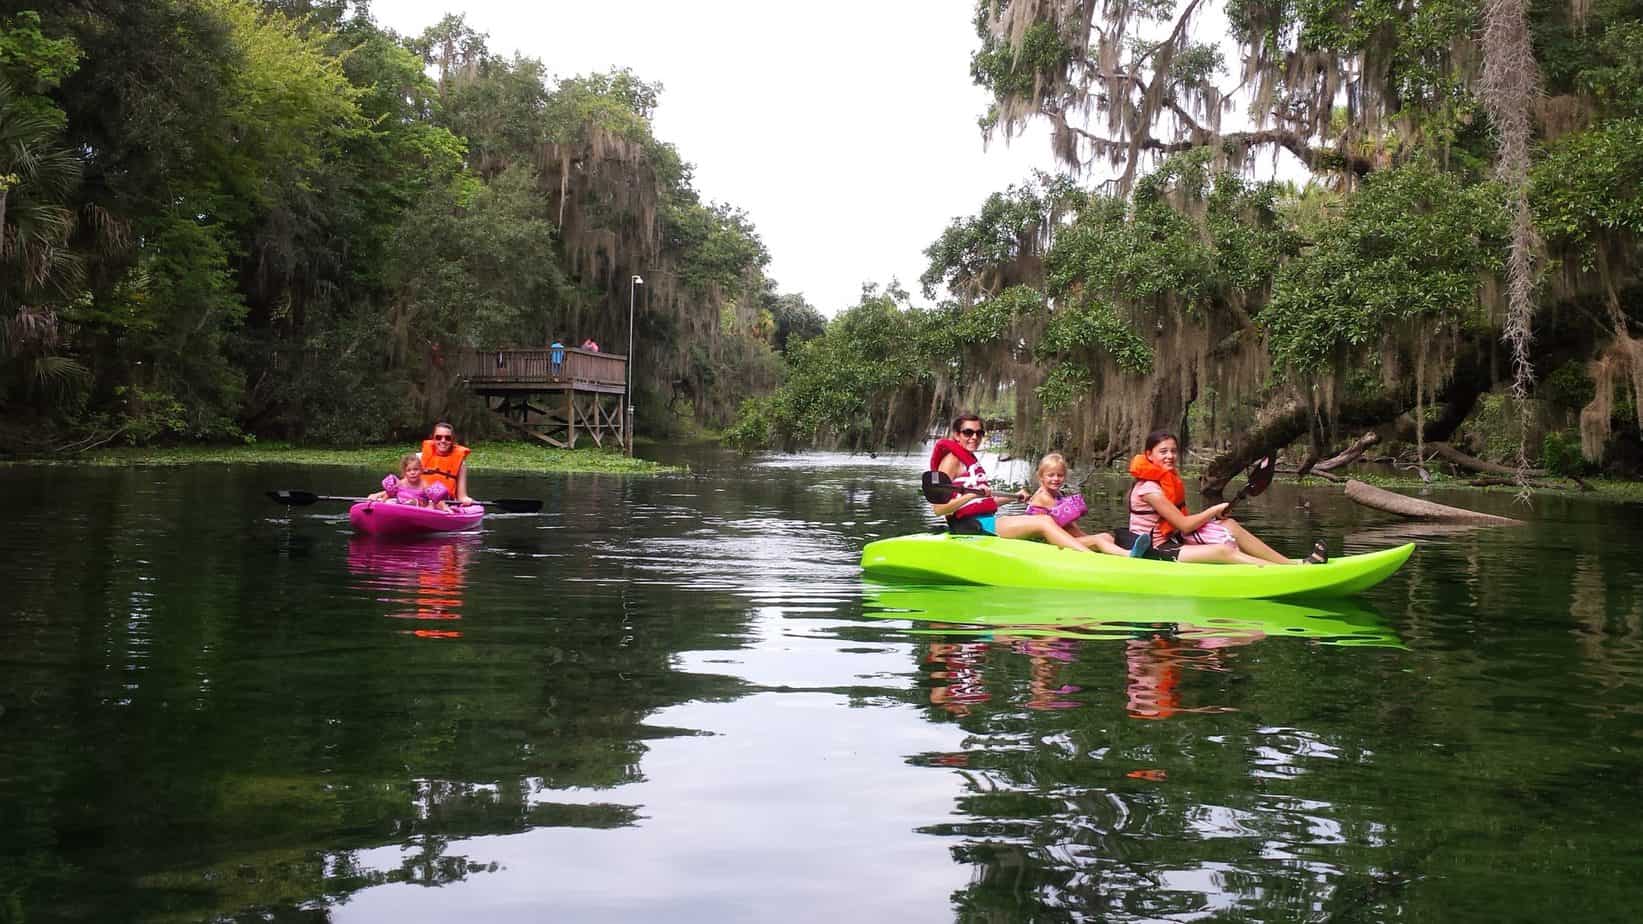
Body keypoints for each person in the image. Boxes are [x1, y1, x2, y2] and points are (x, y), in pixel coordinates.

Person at [1119, 429, 1326, 565]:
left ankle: (1293, 563)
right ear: (1149, 455)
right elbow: (1184, 525)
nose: (1170, 456)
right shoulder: (1150, 490)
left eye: (1173, 451)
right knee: (1223, 551)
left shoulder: (1167, 480)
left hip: (1174, 539)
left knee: (1230, 525)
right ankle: (1287, 573)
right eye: (1163, 451)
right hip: (1154, 551)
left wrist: (1217, 515)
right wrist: (1212, 511)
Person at [928, 415, 1098, 553]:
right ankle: (1090, 559)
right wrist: (971, 494)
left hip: (986, 521)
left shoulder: (970, 461)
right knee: (1044, 521)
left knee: (1042, 523)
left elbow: (981, 503)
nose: (974, 437)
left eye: (979, 433)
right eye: (968, 432)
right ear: (957, 435)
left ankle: (1086, 551)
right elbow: (938, 509)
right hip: (970, 526)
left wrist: (1015, 497)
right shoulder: (950, 461)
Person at [1025, 452, 1128, 555]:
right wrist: (1090, 539)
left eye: (1060, 475)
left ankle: (1122, 554)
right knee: (1098, 540)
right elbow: (1062, 524)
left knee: (1106, 537)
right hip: (1049, 543)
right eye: (1050, 475)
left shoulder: (1056, 494)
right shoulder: (1043, 497)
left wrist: (1085, 537)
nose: (1055, 479)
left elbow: (1070, 527)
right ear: (1041, 477)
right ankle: (1128, 554)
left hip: (1064, 538)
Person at [368, 452, 451, 511]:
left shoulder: (424, 485)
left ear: (421, 471)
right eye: (409, 470)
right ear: (405, 472)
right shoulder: (401, 483)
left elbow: (435, 498)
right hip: (400, 507)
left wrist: (444, 507)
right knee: (390, 501)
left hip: (418, 509)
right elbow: (389, 492)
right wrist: (377, 496)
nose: (412, 472)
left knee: (431, 504)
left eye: (416, 469)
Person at [420, 422, 473, 504]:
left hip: (446, 503)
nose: (443, 441)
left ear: (452, 440)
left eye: (447, 438)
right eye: (438, 437)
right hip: (422, 500)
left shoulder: (461, 464)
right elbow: (407, 485)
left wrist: (467, 500)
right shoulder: (419, 458)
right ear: (433, 438)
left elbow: (462, 496)